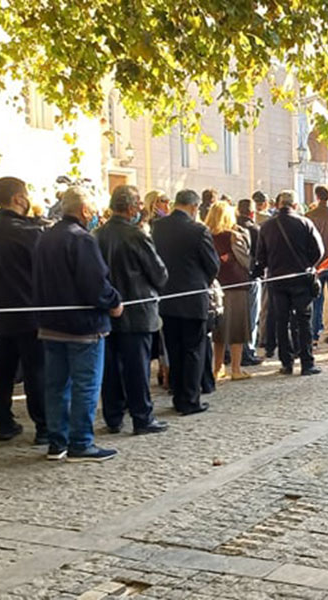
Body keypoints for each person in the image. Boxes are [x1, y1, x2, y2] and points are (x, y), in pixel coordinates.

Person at [33, 186, 123, 462]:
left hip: (50, 323)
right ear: (84, 210)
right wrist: (114, 302)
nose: (95, 215)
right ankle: (81, 443)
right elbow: (94, 283)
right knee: (85, 384)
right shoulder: (81, 239)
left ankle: (56, 441)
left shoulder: (45, 237)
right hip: (83, 326)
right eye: (93, 210)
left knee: (56, 385)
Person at [0, 176, 49, 445]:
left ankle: (3, 421)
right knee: (36, 370)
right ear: (19, 198)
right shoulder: (28, 233)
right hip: (29, 310)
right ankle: (43, 425)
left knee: (4, 368)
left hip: (1, 309)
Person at [95, 185, 169, 435]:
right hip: (137, 310)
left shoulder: (97, 234)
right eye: (138, 204)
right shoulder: (136, 235)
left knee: (111, 367)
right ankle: (142, 417)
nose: (140, 209)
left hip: (108, 309)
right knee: (137, 367)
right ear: (129, 208)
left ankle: (113, 416)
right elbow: (159, 274)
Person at [152, 189, 221, 414]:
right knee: (193, 350)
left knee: (174, 348)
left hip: (167, 298)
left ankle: (178, 394)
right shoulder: (198, 230)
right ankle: (189, 399)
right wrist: (202, 281)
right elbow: (212, 265)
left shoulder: (158, 227)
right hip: (192, 298)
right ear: (194, 207)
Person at [254, 190, 324, 376]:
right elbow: (319, 250)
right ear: (294, 205)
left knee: (281, 321)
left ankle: (286, 362)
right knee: (303, 321)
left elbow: (260, 256)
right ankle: (307, 363)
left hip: (277, 279)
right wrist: (308, 264)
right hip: (301, 278)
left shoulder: (266, 227)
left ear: (278, 205)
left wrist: (269, 267)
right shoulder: (305, 223)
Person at [205, 202, 254, 381]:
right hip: (236, 285)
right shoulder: (233, 236)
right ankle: (235, 369)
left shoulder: (207, 236)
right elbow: (246, 260)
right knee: (237, 330)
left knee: (219, 331)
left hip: (216, 286)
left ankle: (217, 368)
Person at [305, 185, 328, 344]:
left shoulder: (309, 216)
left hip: (315, 263)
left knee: (315, 300)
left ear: (317, 197)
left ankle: (313, 334)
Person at [236, 199, 263, 366]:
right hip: (250, 277)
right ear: (252, 212)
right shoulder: (255, 229)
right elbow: (260, 254)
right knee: (251, 316)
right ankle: (247, 352)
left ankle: (229, 352)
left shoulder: (230, 227)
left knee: (233, 318)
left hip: (232, 280)